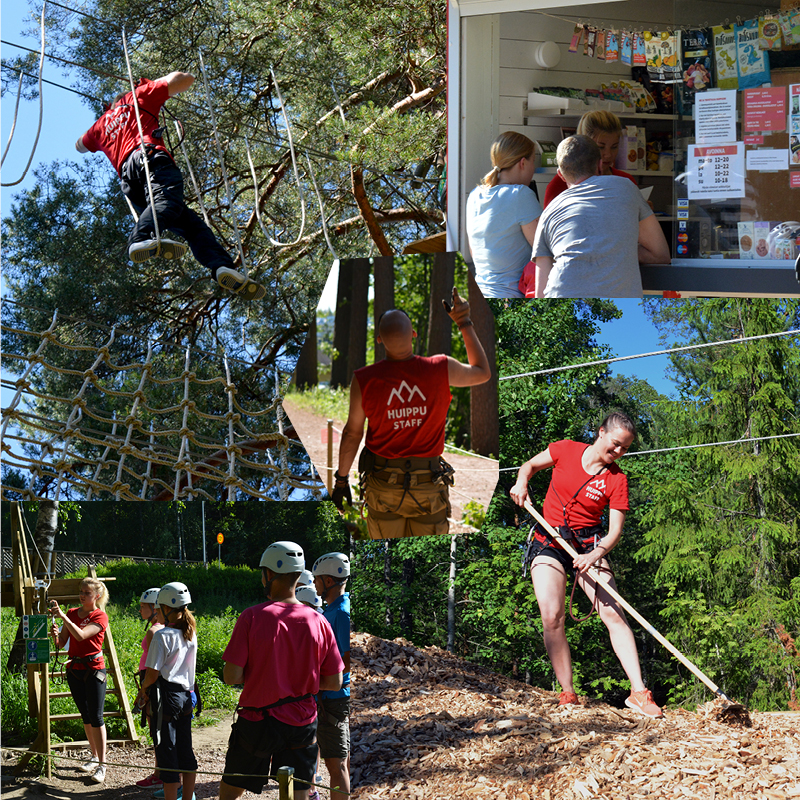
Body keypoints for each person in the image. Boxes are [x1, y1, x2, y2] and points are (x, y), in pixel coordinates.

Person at [509, 412, 663, 719]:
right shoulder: (565, 449)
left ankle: (638, 693)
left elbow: (615, 531)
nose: (618, 452)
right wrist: (521, 482)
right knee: (552, 616)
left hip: (590, 546)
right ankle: (568, 692)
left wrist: (596, 555)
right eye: (616, 444)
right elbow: (529, 466)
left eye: (625, 449)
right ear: (602, 432)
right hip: (548, 541)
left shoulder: (616, 479)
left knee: (612, 612)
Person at [76, 71, 263, 300]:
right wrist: (147, 85)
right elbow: (186, 78)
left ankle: (222, 267)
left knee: (193, 227)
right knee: (167, 202)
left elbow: (79, 146)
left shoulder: (99, 127)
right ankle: (139, 238)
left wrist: (103, 124)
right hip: (149, 157)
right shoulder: (138, 97)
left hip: (130, 180)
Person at [332, 289, 492, 538]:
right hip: (429, 488)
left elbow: (352, 434)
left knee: (387, 556)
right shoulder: (440, 368)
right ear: (414, 335)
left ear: (379, 339)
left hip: (383, 486)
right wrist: (463, 321)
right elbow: (482, 372)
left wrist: (341, 481)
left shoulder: (363, 380)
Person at [219, 542, 344, 800]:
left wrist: (263, 676)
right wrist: (299, 679)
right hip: (302, 723)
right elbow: (334, 681)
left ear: (270, 574)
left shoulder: (252, 617)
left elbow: (231, 676)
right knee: (297, 795)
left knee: (231, 792)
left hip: (257, 722)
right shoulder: (319, 621)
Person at [529, 135, 670, 298]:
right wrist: (619, 245)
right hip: (616, 310)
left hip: (561, 303)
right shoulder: (625, 188)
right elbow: (660, 254)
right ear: (599, 165)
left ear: (560, 174)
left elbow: (540, 292)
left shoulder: (548, 211)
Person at [136, 582, 198, 800]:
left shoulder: (163, 636)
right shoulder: (190, 633)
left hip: (166, 697)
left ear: (167, 608)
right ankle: (188, 797)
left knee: (167, 753)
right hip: (185, 695)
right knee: (185, 749)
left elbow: (152, 675)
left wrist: (143, 691)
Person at [466, 131, 542, 298]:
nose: (533, 169)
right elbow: (544, 249)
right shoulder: (520, 194)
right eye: (533, 162)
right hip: (510, 298)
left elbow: (475, 251)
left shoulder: (474, 196)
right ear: (523, 163)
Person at [49, 577, 110, 783]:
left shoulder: (100, 616)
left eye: (87, 593)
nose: (82, 595)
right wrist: (56, 634)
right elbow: (62, 643)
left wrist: (64, 618)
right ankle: (94, 756)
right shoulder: (73, 613)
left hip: (93, 669)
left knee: (97, 716)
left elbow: (83, 635)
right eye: (81, 592)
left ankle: (102, 765)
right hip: (74, 668)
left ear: (97, 596)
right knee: (85, 715)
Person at [312, 553, 351, 800]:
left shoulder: (342, 613)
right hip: (329, 694)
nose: (314, 585)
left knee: (336, 766)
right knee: (336, 763)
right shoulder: (333, 610)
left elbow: (347, 660)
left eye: (317, 580)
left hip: (333, 697)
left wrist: (322, 680)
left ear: (328, 580)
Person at [542, 110, 637, 208]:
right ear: (583, 144)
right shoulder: (559, 185)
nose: (608, 155)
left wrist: (643, 213)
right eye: (600, 147)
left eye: (614, 147)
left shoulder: (626, 181)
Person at [135, 587, 165, 789]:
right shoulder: (164, 627)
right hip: (155, 685)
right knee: (158, 730)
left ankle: (161, 775)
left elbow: (156, 664)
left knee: (157, 730)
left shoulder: (154, 631)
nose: (140, 610)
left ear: (154, 608)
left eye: (142, 606)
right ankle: (161, 773)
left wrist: (144, 690)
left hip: (153, 686)